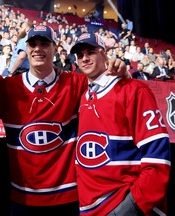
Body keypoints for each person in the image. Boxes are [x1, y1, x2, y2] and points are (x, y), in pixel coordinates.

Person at [0, 25, 128, 216]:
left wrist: (123, 73)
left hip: (68, 197)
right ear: (26, 48)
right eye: (33, 44)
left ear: (55, 48)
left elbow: (115, 93)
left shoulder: (77, 83)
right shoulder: (6, 88)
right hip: (22, 197)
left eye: (44, 43)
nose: (38, 48)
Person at [70, 32, 171, 216]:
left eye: (90, 52)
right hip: (87, 207)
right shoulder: (82, 94)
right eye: (80, 55)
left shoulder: (133, 90)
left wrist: (133, 205)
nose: (84, 58)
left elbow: (157, 155)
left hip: (121, 203)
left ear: (104, 54)